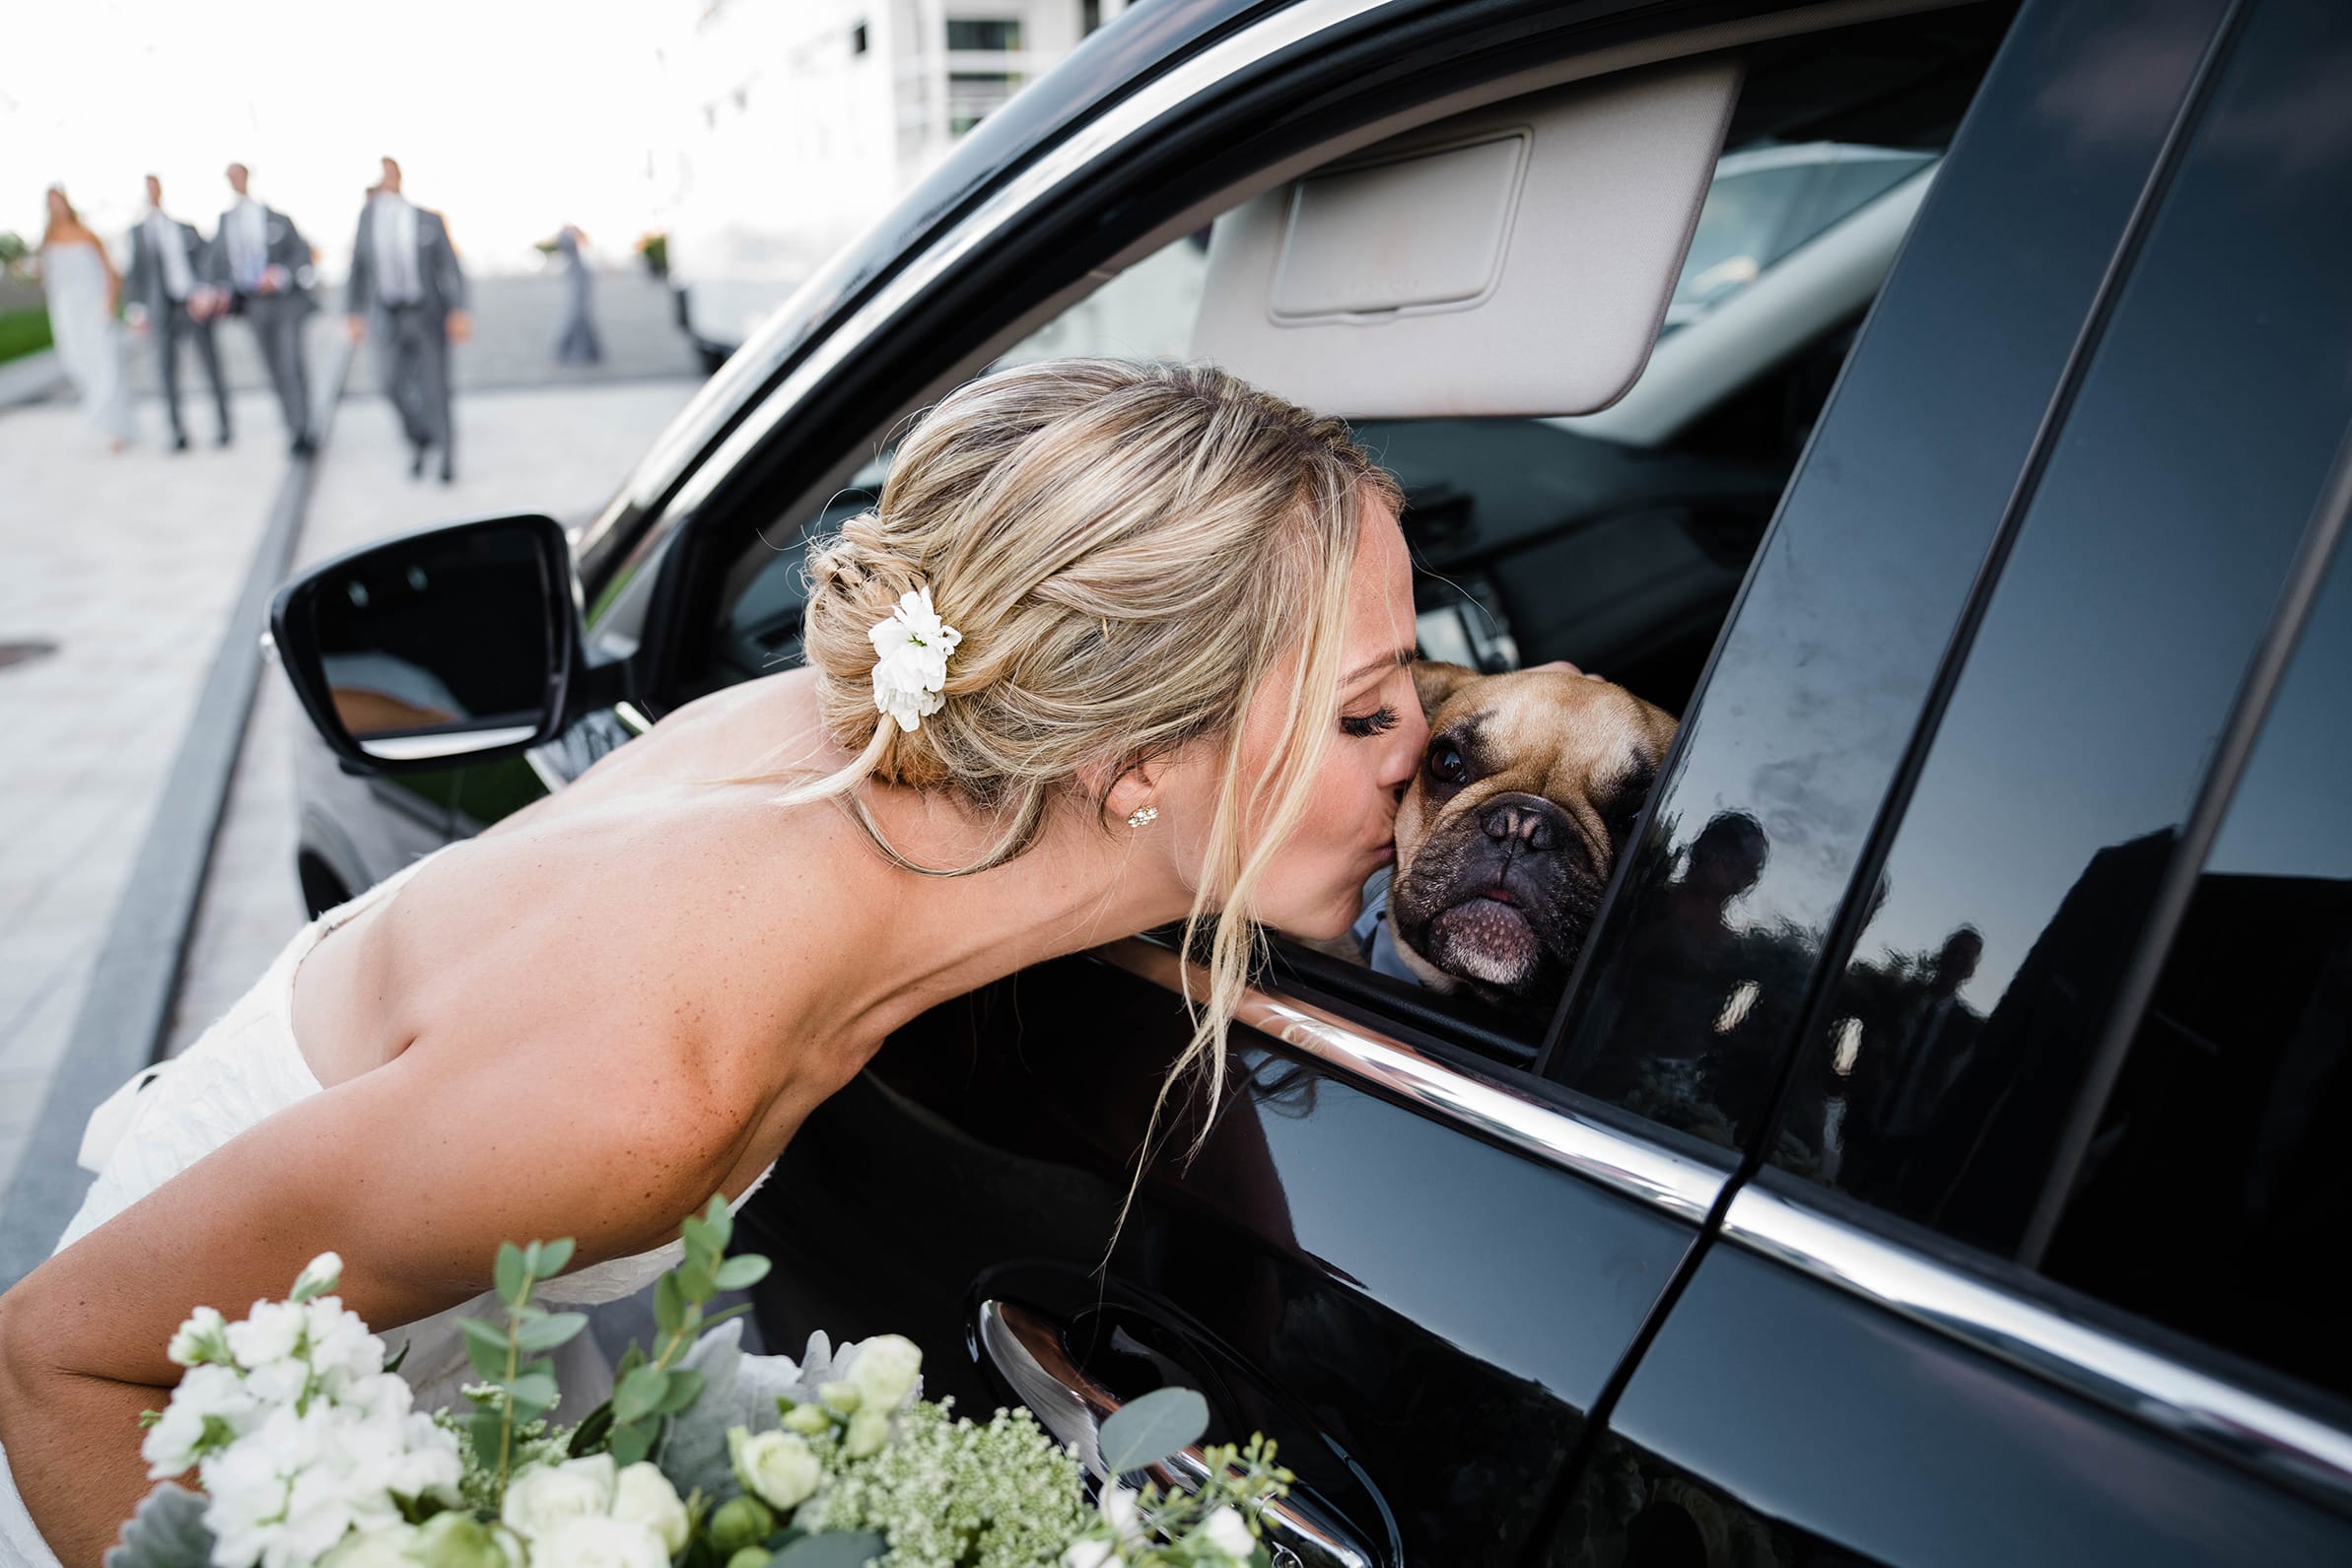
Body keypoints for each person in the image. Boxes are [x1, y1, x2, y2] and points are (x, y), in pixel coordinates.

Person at [0, 358, 1423, 1563]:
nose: (1424, 744)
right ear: (1131, 763)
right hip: (158, 1433)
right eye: (1364, 714)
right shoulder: (651, 1084)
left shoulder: (900, 746)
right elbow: (57, 1356)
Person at [346, 157, 468, 482]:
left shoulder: (426, 219)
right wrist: (353, 312)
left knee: (435, 386)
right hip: (388, 316)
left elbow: (450, 268)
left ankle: (446, 456)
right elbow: (357, 269)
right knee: (390, 385)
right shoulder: (368, 220)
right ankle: (419, 438)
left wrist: (458, 310)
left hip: (426, 313)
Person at [209, 162, 317, 454]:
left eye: (238, 175)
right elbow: (217, 266)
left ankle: (304, 427)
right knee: (273, 367)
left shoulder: (277, 219)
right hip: (252, 305)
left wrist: (279, 275)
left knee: (291, 363)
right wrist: (218, 290)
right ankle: (293, 426)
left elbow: (302, 257)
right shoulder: (224, 223)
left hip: (283, 303)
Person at [122, 174, 231, 452]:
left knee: (210, 366)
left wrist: (205, 291)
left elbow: (207, 260)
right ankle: (177, 432)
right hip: (162, 309)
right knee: (166, 372)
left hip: (192, 304)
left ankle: (224, 426)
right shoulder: (137, 232)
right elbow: (136, 273)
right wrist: (138, 309)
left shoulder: (184, 228)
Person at [35, 186, 135, 450]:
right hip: (67, 312)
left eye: (59, 201)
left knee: (106, 364)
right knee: (78, 362)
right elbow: (47, 280)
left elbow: (111, 272)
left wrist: (108, 305)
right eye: (51, 202)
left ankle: (117, 429)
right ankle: (101, 421)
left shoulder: (88, 235)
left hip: (95, 308)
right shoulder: (48, 241)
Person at [552, 223, 602, 366]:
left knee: (580, 317)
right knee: (576, 316)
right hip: (576, 277)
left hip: (580, 277)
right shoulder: (567, 239)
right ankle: (577, 353)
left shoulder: (580, 243)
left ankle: (588, 354)